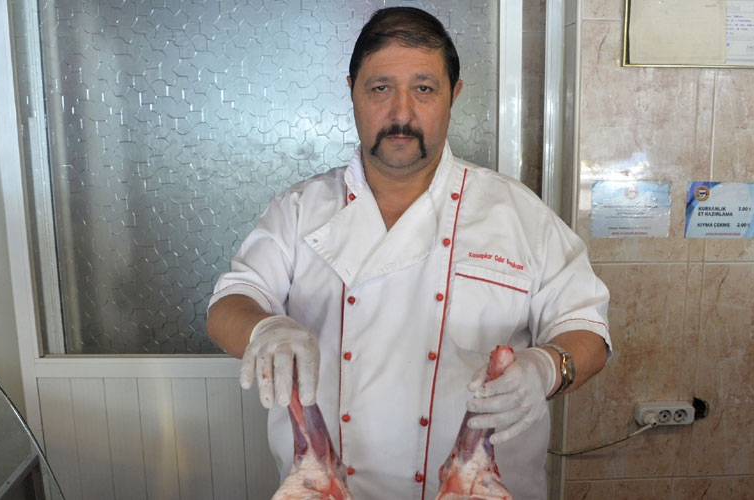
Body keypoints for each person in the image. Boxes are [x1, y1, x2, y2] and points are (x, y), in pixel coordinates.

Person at [206, 6, 611, 500]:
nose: (401, 114)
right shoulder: (299, 210)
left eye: (424, 89)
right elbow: (230, 304)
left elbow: (586, 329)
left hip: (478, 490)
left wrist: (549, 367)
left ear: (453, 95)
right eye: (380, 88)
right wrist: (264, 328)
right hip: (328, 489)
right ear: (352, 91)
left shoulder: (516, 213)